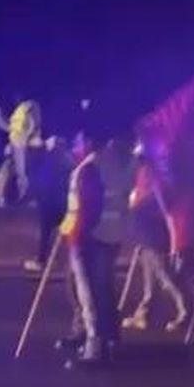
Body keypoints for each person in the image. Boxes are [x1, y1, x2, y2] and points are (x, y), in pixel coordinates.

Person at [57, 133, 121, 366]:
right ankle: (100, 340)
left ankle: (95, 346)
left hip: (83, 239)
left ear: (88, 144)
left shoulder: (88, 170)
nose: (75, 147)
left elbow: (85, 208)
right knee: (88, 290)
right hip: (83, 237)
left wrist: (75, 231)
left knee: (88, 294)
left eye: (77, 142)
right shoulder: (88, 168)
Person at [123, 157, 190, 333]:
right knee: (149, 278)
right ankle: (142, 314)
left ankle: (184, 309)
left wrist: (136, 203)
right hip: (147, 232)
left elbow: (154, 205)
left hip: (150, 233)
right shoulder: (154, 174)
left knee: (162, 275)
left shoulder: (151, 176)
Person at [27, 135, 72, 272]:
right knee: (64, 234)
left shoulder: (49, 161)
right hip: (63, 202)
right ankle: (66, 261)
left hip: (50, 203)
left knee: (46, 233)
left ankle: (42, 261)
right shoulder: (67, 160)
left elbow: (41, 181)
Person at [0, 95, 41, 204]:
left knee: (24, 174)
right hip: (17, 151)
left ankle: (29, 197)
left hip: (25, 150)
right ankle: (2, 199)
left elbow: (30, 130)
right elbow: (5, 126)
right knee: (5, 174)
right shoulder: (18, 123)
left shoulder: (30, 118)